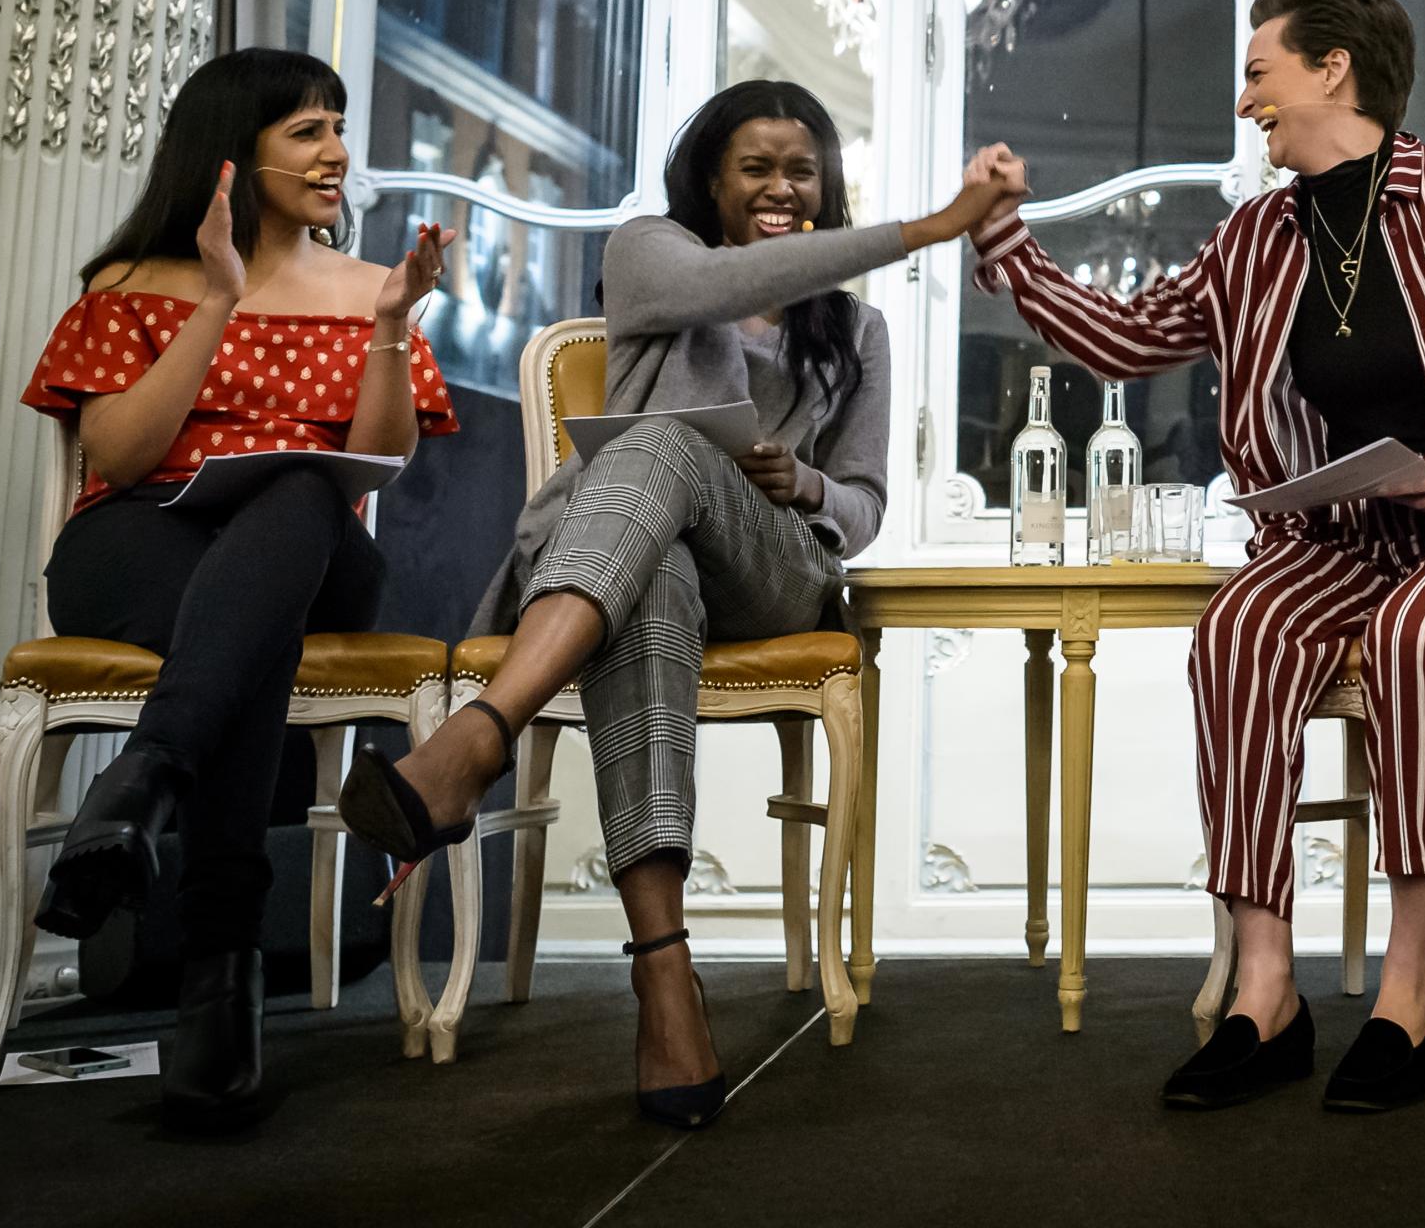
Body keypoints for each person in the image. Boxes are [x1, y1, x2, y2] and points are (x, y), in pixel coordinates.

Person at [965, 0, 1425, 1113]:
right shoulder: (1255, 236)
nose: (1246, 97)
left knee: (1413, 637)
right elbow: (1126, 334)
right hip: (1341, 533)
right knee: (1239, 629)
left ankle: (1411, 991)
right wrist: (1003, 238)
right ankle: (1268, 991)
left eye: (1259, 71)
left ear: (1331, 68)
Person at [339, 80, 1013, 1131]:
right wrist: (926, 228)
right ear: (711, 177)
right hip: (623, 560)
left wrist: (810, 487)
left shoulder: (860, 330)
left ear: (826, 181)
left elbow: (869, 503)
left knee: (661, 441)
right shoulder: (651, 251)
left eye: (802, 168)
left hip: (772, 571)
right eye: (757, 166)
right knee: (653, 557)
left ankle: (478, 737)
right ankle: (665, 974)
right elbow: (727, 279)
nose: (783, 187)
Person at [21, 48, 457, 1129]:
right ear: (234, 150)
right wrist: (217, 295)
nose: (337, 151)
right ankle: (221, 982)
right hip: (138, 541)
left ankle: (144, 777)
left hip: (312, 549)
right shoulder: (129, 287)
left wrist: (394, 324)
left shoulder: (367, 288)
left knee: (304, 488)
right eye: (307, 129)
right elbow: (118, 457)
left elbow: (380, 461)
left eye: (338, 124)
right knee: (243, 642)